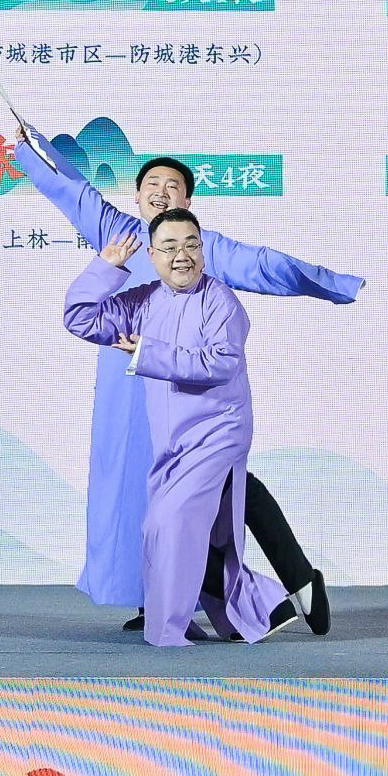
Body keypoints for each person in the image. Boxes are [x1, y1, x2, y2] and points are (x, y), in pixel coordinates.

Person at [15, 127, 359, 633]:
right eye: (151, 184)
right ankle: (157, 600)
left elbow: (265, 266)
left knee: (225, 488)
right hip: (128, 390)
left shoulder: (201, 247)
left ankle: (293, 584)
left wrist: (331, 284)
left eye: (172, 185)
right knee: (143, 494)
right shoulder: (117, 232)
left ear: (189, 201)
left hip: (190, 393)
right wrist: (31, 147)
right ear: (136, 197)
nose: (161, 192)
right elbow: (70, 189)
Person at [62, 215, 290, 648]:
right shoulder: (144, 301)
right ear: (152, 256)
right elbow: (80, 319)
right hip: (171, 441)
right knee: (174, 529)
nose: (181, 255)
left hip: (218, 431)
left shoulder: (220, 301)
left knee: (170, 523)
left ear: (202, 251)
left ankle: (171, 631)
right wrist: (106, 268)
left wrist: (149, 352)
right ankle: (251, 611)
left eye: (191, 245)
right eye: (169, 247)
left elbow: (220, 364)